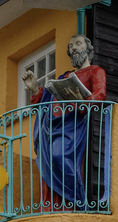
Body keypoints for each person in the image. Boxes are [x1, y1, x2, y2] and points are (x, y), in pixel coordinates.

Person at [22, 34, 107, 212]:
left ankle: (74, 202)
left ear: (88, 49)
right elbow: (48, 97)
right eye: (70, 46)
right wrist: (36, 89)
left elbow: (100, 94)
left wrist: (83, 101)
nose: (73, 48)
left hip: (74, 123)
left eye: (78, 44)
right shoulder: (65, 76)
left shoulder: (95, 71)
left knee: (59, 156)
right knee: (48, 161)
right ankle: (52, 206)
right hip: (52, 125)